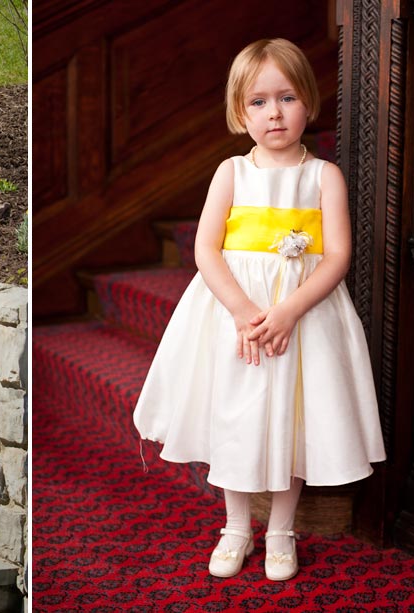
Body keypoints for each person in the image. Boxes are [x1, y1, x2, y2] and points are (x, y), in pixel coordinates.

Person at [132, 39, 386, 582]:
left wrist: (288, 311)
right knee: (239, 417)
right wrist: (246, 312)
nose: (274, 112)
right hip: (235, 318)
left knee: (291, 421)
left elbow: (337, 255)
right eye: (259, 102)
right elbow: (205, 250)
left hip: (303, 318)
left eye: (287, 97)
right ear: (239, 111)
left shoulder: (324, 177)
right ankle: (236, 526)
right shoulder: (230, 173)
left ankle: (280, 531)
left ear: (308, 102)